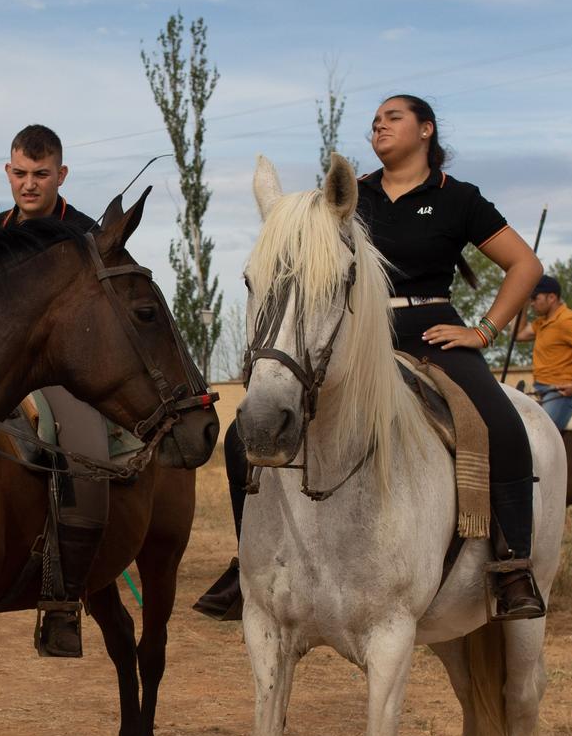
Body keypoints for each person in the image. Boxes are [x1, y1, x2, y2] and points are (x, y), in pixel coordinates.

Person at [195, 95, 547, 621]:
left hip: (433, 333)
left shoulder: (459, 198)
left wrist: (484, 330)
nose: (379, 125)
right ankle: (247, 562)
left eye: (394, 117)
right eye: (376, 120)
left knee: (501, 424)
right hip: (357, 336)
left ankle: (513, 566)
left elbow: (526, 264)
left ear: (426, 130)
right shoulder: (349, 196)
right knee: (243, 435)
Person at [0, 125, 106, 657]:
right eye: (20, 174)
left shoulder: (86, 235)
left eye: (41, 175)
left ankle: (61, 603)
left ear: (61, 174)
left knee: (86, 453)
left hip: (61, 375)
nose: (29, 185)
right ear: (8, 172)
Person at [514, 273, 572, 429]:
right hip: (540, 389)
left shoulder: (566, 320)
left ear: (551, 297)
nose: (532, 303)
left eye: (535, 298)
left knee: (541, 432)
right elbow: (517, 335)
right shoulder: (542, 322)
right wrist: (522, 306)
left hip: (562, 393)